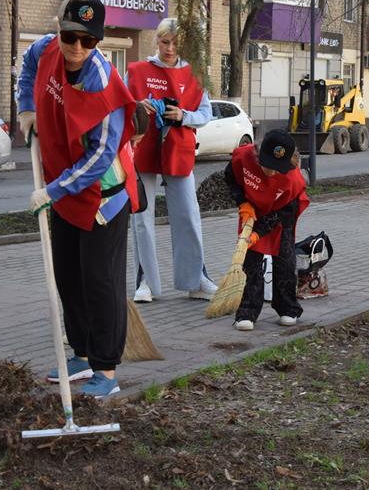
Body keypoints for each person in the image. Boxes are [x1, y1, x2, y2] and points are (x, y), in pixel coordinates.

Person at [17, 0, 139, 398]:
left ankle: (106, 370)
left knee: (99, 282)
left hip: (103, 195)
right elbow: (27, 65)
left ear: (98, 41)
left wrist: (51, 191)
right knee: (68, 275)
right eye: (70, 36)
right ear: (59, 29)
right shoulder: (46, 49)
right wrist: (26, 108)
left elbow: (100, 158)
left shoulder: (102, 85)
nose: (77, 48)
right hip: (64, 190)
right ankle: (82, 355)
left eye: (88, 41)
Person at [127, 18, 216, 303]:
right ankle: (145, 282)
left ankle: (196, 280)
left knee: (188, 215)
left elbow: (206, 113)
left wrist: (183, 116)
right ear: (157, 41)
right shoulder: (138, 71)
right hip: (144, 149)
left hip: (179, 150)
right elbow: (122, 106)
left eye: (175, 43)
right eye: (165, 42)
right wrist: (136, 108)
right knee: (142, 219)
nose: (169, 48)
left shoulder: (194, 74)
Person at [224, 130, 309, 331]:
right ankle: (247, 312)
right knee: (250, 262)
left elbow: (284, 213)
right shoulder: (243, 158)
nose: (271, 172)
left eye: (277, 169)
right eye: (267, 166)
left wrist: (258, 234)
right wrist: (242, 203)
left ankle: (288, 308)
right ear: (258, 154)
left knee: (285, 260)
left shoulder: (293, 180)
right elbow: (231, 178)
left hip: (281, 214)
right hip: (252, 210)